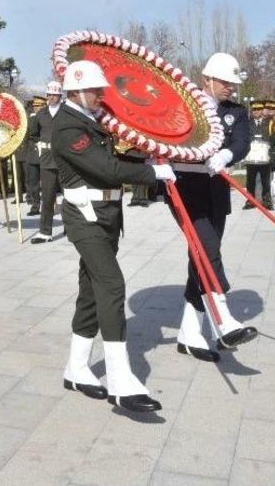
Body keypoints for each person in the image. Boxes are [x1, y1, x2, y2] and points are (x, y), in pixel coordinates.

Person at [52, 61, 175, 412]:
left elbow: (112, 156)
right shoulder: (66, 127)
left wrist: (146, 151)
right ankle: (121, 379)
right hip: (85, 218)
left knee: (91, 291)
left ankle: (76, 368)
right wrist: (153, 172)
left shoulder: (89, 121)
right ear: (76, 91)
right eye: (95, 90)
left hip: (106, 216)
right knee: (112, 285)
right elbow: (105, 169)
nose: (101, 95)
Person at [170, 52, 257, 363]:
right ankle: (224, 319)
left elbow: (243, 143)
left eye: (234, 84)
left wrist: (225, 156)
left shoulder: (237, 111)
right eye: (225, 82)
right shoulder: (184, 103)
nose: (230, 88)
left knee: (202, 253)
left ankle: (189, 334)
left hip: (217, 188)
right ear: (206, 79)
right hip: (185, 188)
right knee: (206, 249)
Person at [29, 81, 64, 244]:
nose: (51, 97)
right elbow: (33, 134)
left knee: (71, 196)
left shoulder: (68, 112)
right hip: (48, 160)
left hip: (66, 160)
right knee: (48, 196)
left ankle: (72, 228)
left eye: (55, 95)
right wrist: (39, 145)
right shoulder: (41, 114)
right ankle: (45, 232)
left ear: (60, 96)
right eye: (49, 94)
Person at [243, 101, 273, 210]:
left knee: (266, 181)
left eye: (258, 109)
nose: (256, 112)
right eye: (254, 110)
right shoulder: (246, 123)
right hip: (251, 156)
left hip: (265, 156)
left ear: (262, 110)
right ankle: (250, 201)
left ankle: (267, 202)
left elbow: (273, 137)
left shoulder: (269, 122)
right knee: (250, 181)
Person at [24, 96, 46, 215]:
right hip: (33, 153)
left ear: (44, 106)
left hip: (45, 154)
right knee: (33, 182)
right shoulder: (31, 119)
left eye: (38, 106)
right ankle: (35, 205)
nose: (36, 108)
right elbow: (29, 133)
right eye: (35, 106)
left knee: (47, 183)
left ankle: (48, 205)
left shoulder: (49, 118)